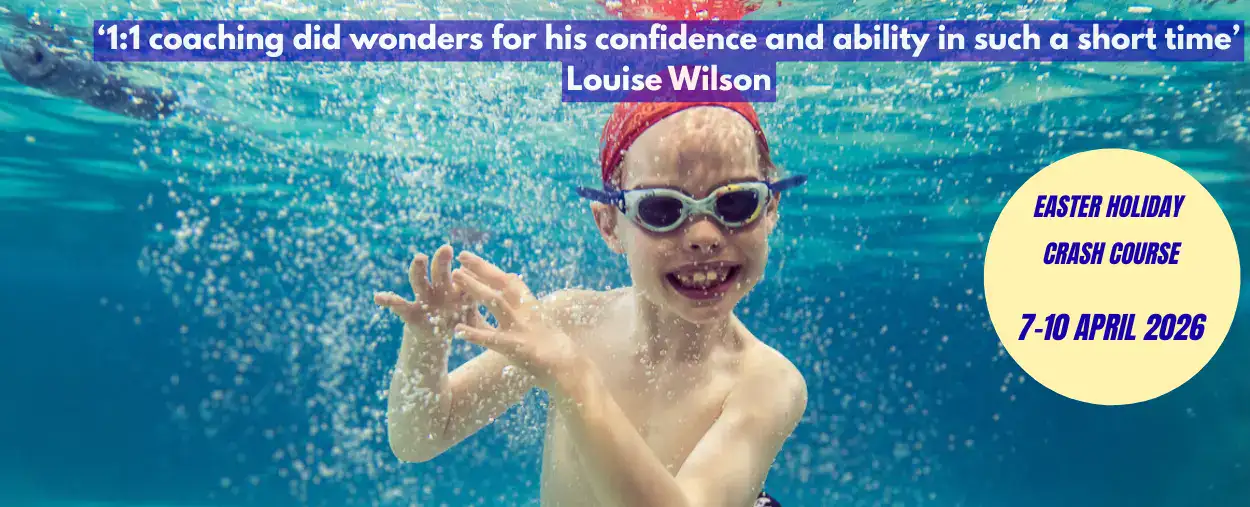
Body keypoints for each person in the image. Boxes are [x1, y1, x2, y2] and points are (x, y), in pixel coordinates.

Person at [374, 96, 808, 507]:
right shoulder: (571, 321)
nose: (703, 237)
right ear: (608, 224)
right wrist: (427, 345)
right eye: (661, 210)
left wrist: (570, 374)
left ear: (770, 208)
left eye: (736, 203)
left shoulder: (766, 381)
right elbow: (421, 438)